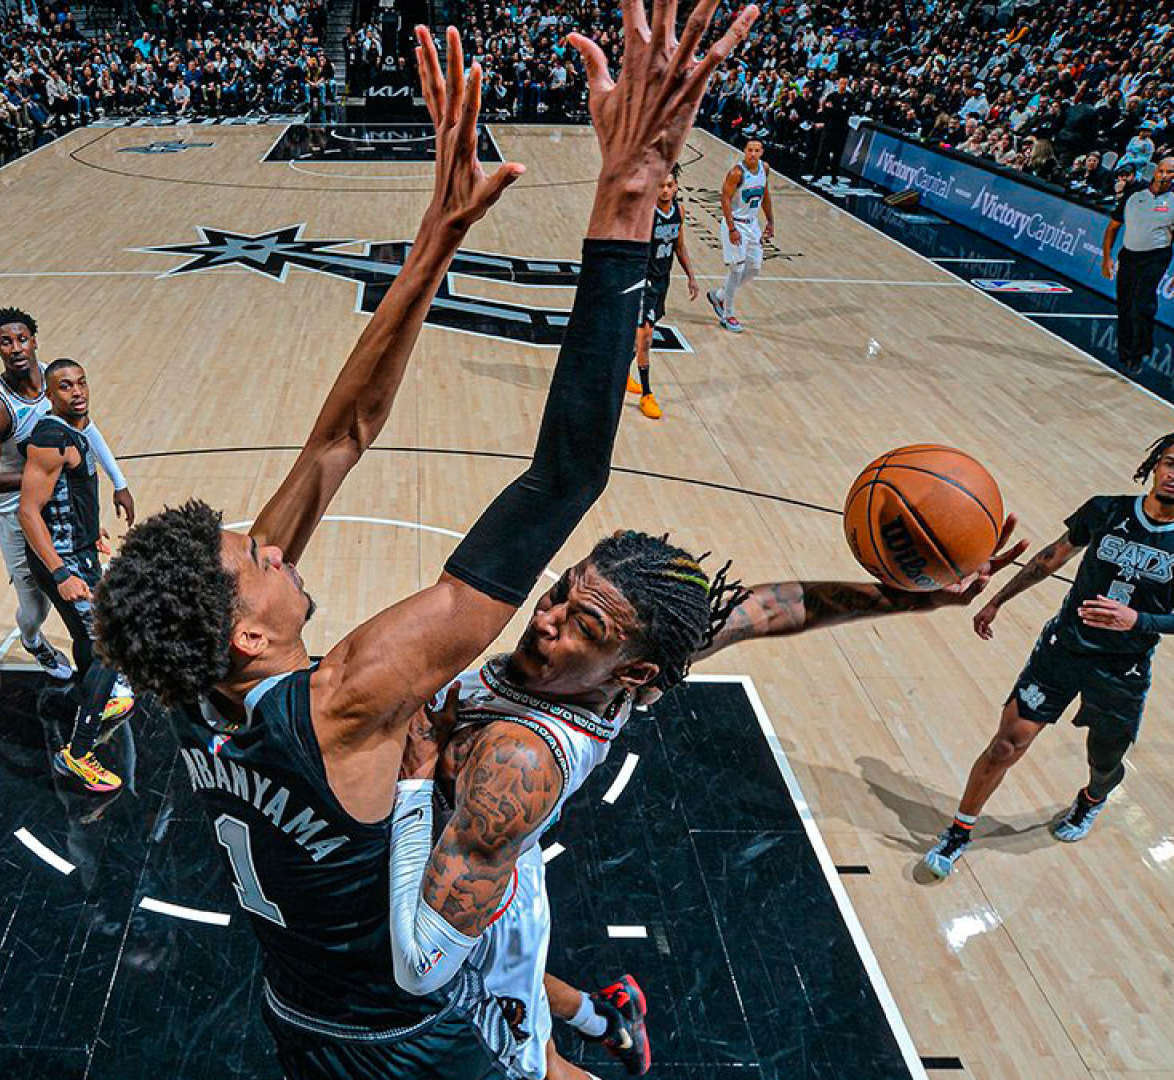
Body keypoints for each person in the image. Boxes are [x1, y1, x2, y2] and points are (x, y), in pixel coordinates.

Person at [92, 11, 756, 1076]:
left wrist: (438, 235)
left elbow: (340, 436)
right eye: (253, 557)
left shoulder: (189, 679)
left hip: (294, 1007)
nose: (271, 543)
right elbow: (564, 478)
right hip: (396, 1042)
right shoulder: (347, 693)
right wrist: (626, 202)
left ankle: (592, 1027)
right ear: (249, 635)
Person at [391, 519, 1023, 1078]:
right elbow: (768, 608)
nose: (545, 618)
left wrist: (418, 775)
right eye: (562, 594)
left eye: (582, 624)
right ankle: (607, 1017)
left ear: (631, 672)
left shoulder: (521, 759)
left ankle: (602, 1024)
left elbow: (422, 965)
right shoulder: (623, 667)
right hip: (483, 860)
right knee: (522, 990)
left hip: (465, 882)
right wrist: (910, 597)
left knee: (531, 1065)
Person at [923, 433, 1174, 879]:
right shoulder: (1105, 510)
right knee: (1005, 745)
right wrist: (998, 600)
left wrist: (1138, 620)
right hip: (1064, 649)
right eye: (1170, 463)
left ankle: (1092, 799)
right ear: (1155, 465)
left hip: (1123, 667)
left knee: (1105, 762)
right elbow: (1050, 558)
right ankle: (959, 832)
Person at [0, 306, 133, 684]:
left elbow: (88, 429)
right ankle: (32, 639)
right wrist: (44, 475)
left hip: (58, 505)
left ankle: (101, 677)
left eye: (22, 339)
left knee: (87, 609)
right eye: (5, 342)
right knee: (36, 605)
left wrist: (119, 482)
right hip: (17, 511)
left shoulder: (58, 382)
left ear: (34, 341)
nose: (15, 348)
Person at [15, 357, 138, 793]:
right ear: (50, 395)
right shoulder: (51, 439)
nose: (78, 391)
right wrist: (61, 572)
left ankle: (96, 702)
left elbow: (67, 495)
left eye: (82, 382)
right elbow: (28, 512)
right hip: (64, 561)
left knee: (92, 639)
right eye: (66, 386)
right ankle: (78, 754)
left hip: (78, 549)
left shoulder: (76, 430)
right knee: (110, 645)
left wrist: (90, 529)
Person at [1101, 156, 1174, 377]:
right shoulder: (1135, 193)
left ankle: (1138, 354)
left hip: (1156, 255)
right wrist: (1106, 258)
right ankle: (1124, 353)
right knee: (1125, 305)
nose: (1164, 176)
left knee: (1141, 304)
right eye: (1161, 171)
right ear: (1155, 171)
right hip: (1129, 254)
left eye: (1170, 172)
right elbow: (1113, 226)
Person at [625, 166, 695, 421]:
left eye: (669, 186)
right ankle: (647, 393)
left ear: (676, 188)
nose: (665, 190)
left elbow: (679, 246)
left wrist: (691, 276)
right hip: (643, 280)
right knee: (645, 335)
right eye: (660, 186)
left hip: (662, 280)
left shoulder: (679, 211)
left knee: (643, 336)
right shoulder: (646, 214)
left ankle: (622, 371)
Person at [705, 139, 773, 334]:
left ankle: (719, 295)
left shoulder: (764, 169)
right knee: (736, 270)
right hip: (736, 224)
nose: (753, 154)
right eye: (750, 150)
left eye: (757, 150)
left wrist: (770, 221)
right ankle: (727, 315)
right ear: (744, 151)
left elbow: (765, 195)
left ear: (762, 152)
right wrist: (731, 228)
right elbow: (725, 199)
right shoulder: (737, 173)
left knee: (754, 269)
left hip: (753, 225)